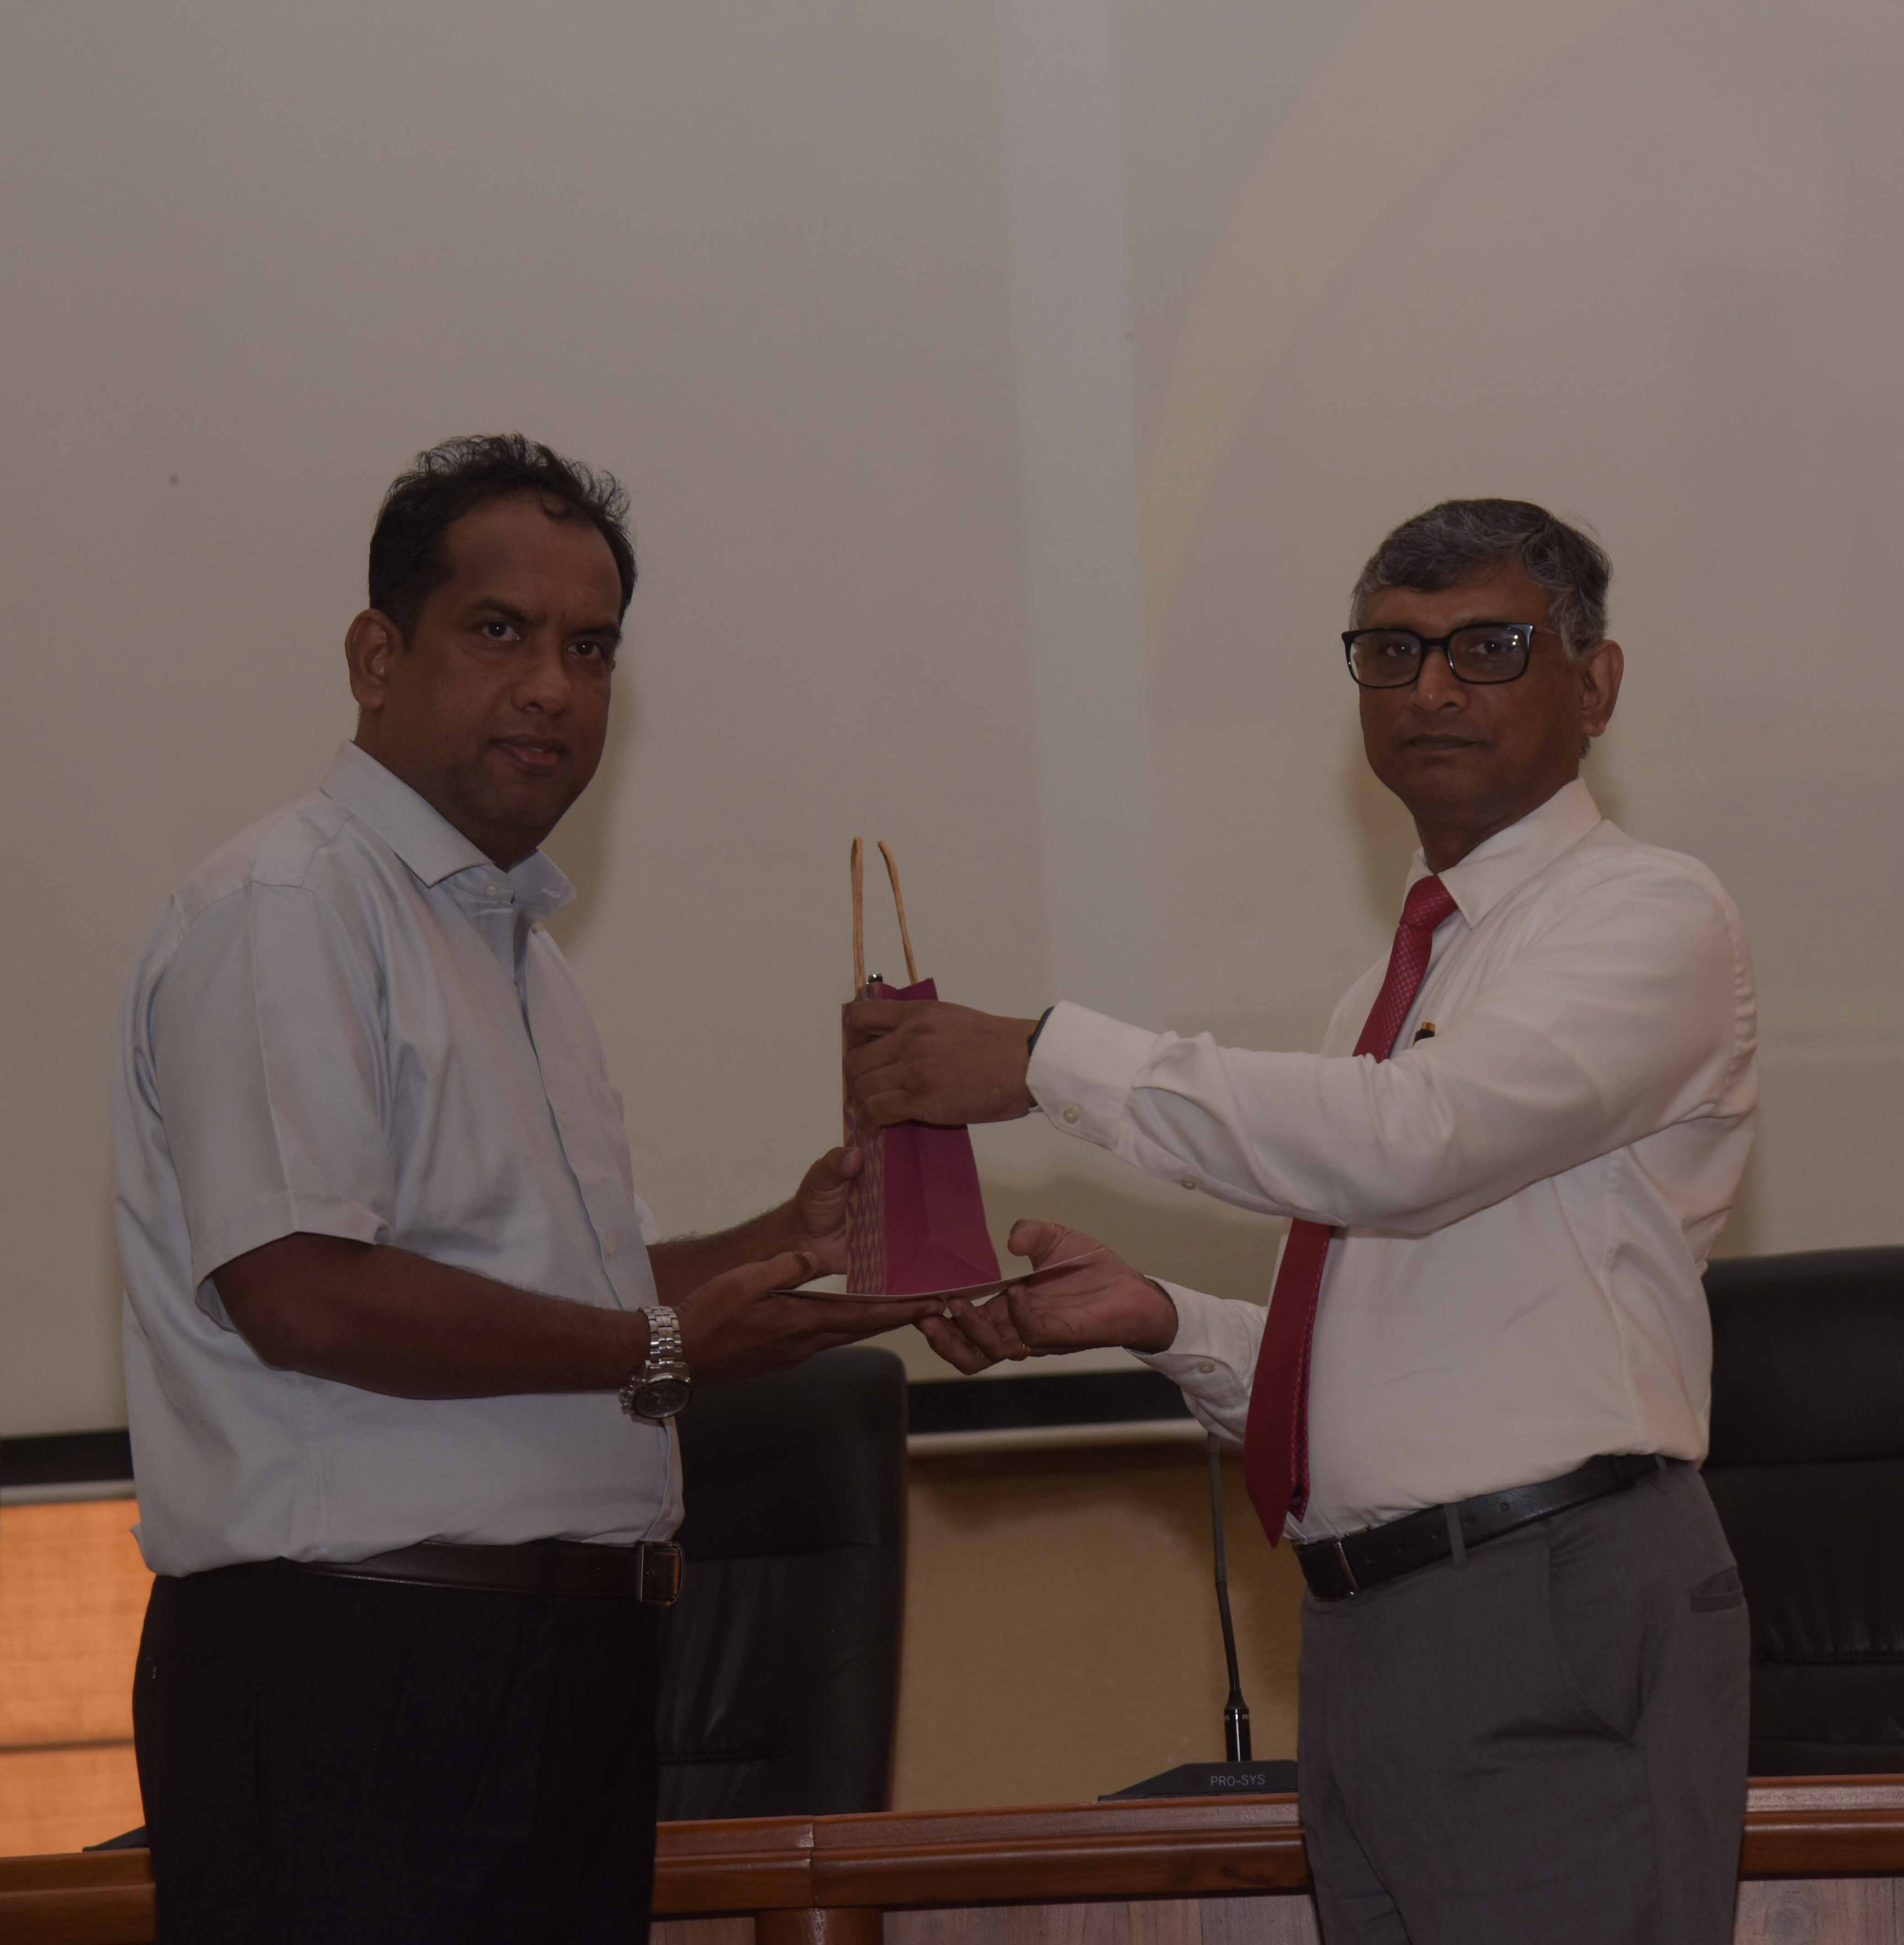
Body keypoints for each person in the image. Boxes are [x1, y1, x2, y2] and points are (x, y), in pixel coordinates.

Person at [844, 500, 1757, 1945]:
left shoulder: (1649, 915)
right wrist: (1163, 1322)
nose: (1430, 689)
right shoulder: (1391, 989)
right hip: (1367, 1625)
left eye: (1485, 648)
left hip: (1540, 1597)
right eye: (1390, 652)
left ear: (1594, 684)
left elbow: (1411, 1149)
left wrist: (1040, 1059)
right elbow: (1405, 1346)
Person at [113, 434, 941, 1945]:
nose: (553, 687)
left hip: (561, 1674)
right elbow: (299, 1292)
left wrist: (786, 1241)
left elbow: (558, 1293)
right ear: (377, 658)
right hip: (352, 1666)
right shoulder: (289, 905)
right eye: (500, 632)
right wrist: (665, 1348)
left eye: (591, 648)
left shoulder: (518, 953)